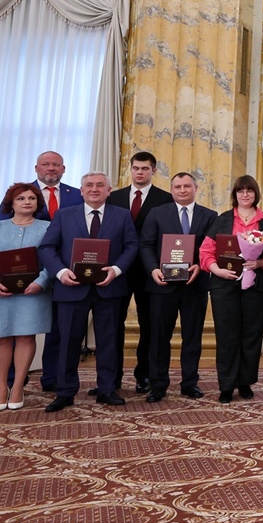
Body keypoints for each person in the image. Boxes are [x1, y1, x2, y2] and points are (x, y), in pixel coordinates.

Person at [37, 172, 138, 412]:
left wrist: (116, 269)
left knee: (108, 342)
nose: (94, 189)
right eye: (89, 185)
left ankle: (106, 389)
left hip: (109, 288)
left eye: (100, 185)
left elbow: (132, 246)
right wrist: (61, 272)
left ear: (108, 190)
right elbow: (47, 247)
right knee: (67, 342)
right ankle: (65, 391)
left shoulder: (122, 216)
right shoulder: (63, 215)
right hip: (71, 289)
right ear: (81, 191)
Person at [0, 150, 83, 393]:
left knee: (58, 328)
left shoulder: (76, 195)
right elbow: (3, 233)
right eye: (46, 164)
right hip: (23, 275)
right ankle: (14, 380)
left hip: (64, 273)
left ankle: (52, 378)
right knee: (18, 328)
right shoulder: (20, 194)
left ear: (64, 169)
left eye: (56, 164)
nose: (51, 168)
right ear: (37, 168)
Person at [139, 172, 217, 402]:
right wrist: (153, 269)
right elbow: (145, 245)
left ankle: (189, 383)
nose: (182, 190)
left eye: (187, 186)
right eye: (177, 187)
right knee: (159, 337)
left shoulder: (210, 216)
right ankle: (158, 384)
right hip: (162, 285)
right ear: (171, 189)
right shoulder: (157, 213)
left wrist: (200, 267)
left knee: (192, 337)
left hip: (195, 285)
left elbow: (211, 249)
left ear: (196, 187)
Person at [0, 183, 52, 410]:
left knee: (26, 337)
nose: (26, 202)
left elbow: (53, 258)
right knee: (0, 338)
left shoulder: (47, 228)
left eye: (31, 198)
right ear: (11, 203)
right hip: (0, 291)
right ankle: (1, 388)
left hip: (33, 292)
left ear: (38, 203)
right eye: (20, 198)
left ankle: (18, 387)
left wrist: (41, 282)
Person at [201, 175, 263, 403]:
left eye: (249, 191)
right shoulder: (222, 220)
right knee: (227, 335)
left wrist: (261, 263)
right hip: (224, 285)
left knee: (252, 334)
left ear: (256, 194)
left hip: (256, 285)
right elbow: (205, 252)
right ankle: (226, 384)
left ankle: (245, 382)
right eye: (240, 191)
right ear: (235, 194)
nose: (245, 195)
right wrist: (217, 270)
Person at [106, 150, 171, 394]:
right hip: (117, 271)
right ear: (130, 169)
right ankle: (112, 377)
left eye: (145, 168)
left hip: (150, 272)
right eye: (136, 168)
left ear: (154, 171)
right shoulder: (114, 198)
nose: (140, 172)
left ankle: (144, 375)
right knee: (113, 324)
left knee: (150, 326)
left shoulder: (165, 199)